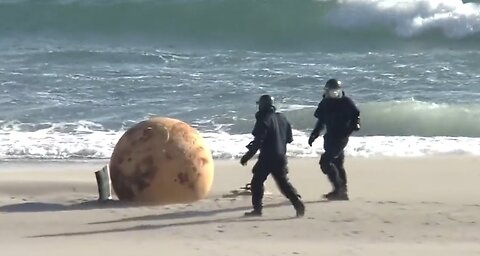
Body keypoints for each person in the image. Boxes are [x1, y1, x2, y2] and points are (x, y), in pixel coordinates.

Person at [240, 94, 305, 217]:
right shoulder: (282, 118)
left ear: (262, 105)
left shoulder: (264, 118)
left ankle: (257, 210)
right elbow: (289, 139)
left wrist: (247, 156)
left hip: (267, 157)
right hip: (281, 156)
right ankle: (298, 204)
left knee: (257, 182)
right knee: (283, 184)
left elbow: (259, 140)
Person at [308, 78, 360, 201]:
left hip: (341, 136)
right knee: (338, 164)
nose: (334, 93)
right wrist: (314, 134)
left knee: (325, 162)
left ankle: (339, 190)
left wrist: (356, 124)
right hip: (330, 136)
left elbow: (355, 115)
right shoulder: (325, 103)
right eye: (331, 91)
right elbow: (321, 121)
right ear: (327, 91)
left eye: (336, 91)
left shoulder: (346, 102)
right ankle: (343, 191)